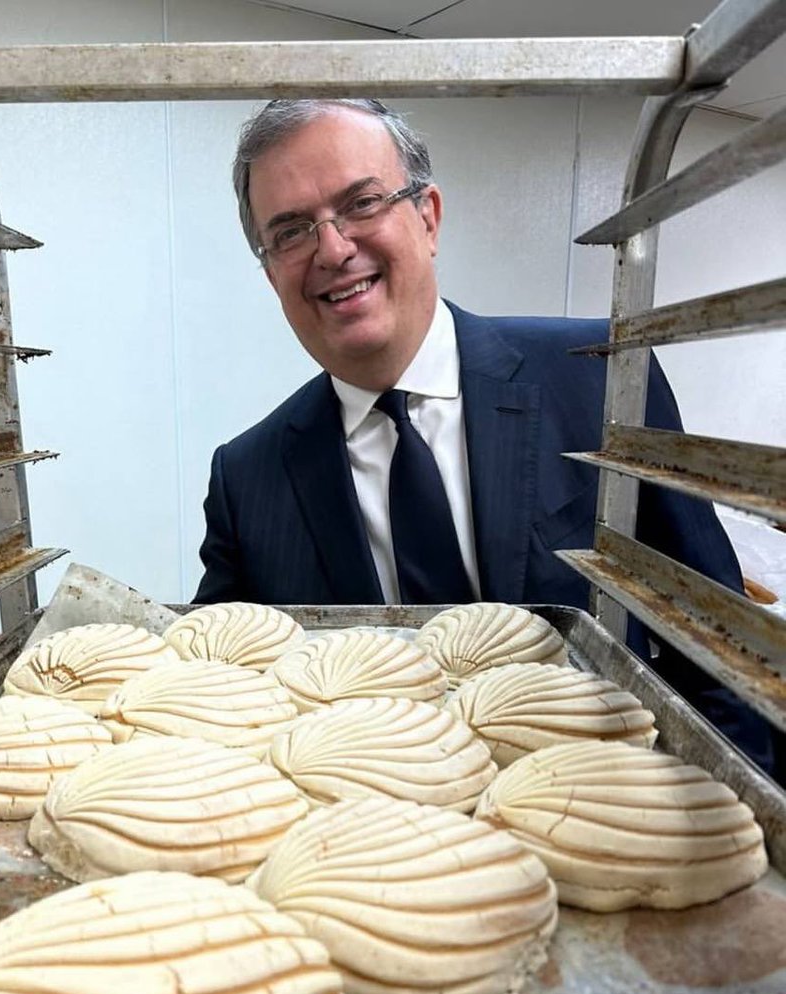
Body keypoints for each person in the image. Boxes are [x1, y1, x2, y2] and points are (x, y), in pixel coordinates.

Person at [192, 97, 774, 772]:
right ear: (270, 273)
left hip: (603, 824)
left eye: (362, 203)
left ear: (428, 216)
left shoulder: (598, 382)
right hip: (370, 850)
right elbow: (222, 688)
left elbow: (722, 654)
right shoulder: (248, 477)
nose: (332, 248)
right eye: (290, 232)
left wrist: (743, 839)